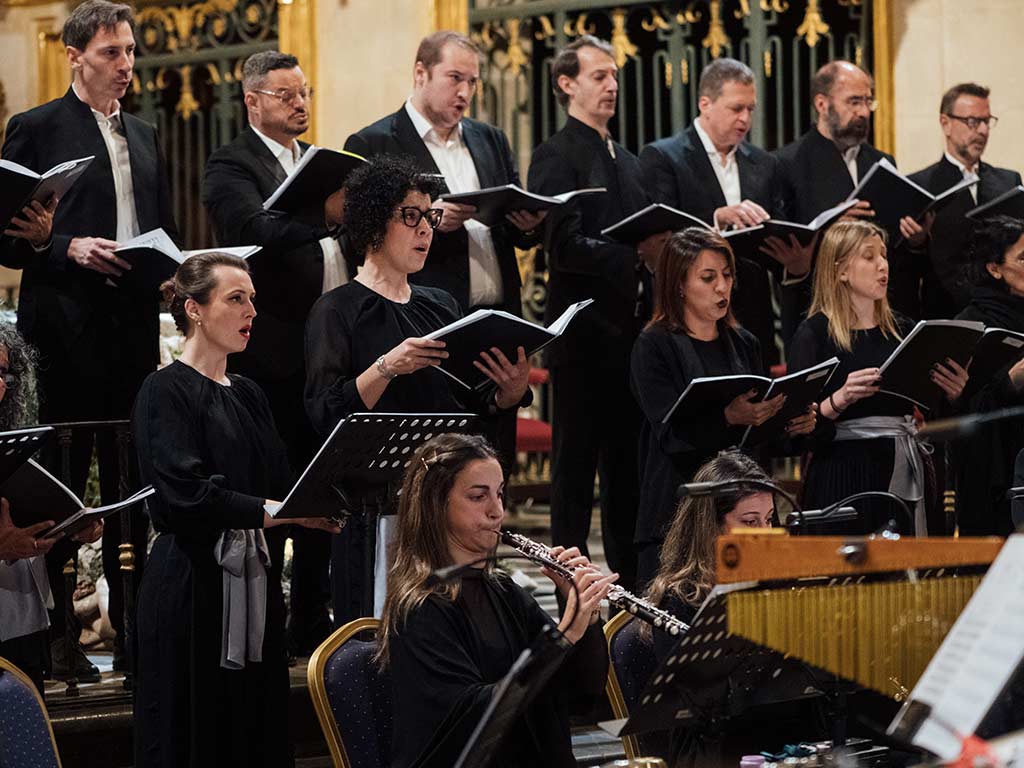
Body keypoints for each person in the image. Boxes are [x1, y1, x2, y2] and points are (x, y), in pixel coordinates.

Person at [0, 0, 177, 676]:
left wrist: (172, 272)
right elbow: (7, 239)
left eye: (130, 51)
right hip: (65, 331)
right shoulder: (37, 127)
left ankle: (136, 634)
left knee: (133, 488)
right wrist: (64, 245)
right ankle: (57, 640)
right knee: (64, 486)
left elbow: (157, 225)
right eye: (111, 52)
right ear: (74, 56)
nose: (125, 64)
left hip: (131, 330)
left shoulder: (147, 133)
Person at [304, 154, 530, 626]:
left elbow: (468, 403)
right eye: (410, 216)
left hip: (444, 502)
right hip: (373, 509)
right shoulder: (337, 309)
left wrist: (506, 395)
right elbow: (325, 412)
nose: (425, 229)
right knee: (379, 635)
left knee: (453, 627)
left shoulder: (440, 305)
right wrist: (387, 367)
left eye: (429, 216)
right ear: (373, 223)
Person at [132, 253, 339, 767]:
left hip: (253, 579)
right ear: (195, 309)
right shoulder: (163, 389)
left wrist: (315, 502)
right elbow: (186, 495)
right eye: (236, 298)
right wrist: (284, 511)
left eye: (252, 299)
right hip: (192, 583)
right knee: (196, 729)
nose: (252, 311)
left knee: (256, 725)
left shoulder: (248, 393)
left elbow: (280, 481)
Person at [202, 50, 345, 656]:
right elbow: (252, 231)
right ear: (253, 100)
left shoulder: (317, 163)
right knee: (278, 484)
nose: (300, 103)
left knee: (324, 484)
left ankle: (314, 616)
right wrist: (326, 216)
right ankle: (271, 619)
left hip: (329, 350)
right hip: (272, 353)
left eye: (304, 92)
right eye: (286, 94)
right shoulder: (230, 162)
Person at [378, 433, 614, 768]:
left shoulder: (504, 591)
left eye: (500, 493)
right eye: (479, 497)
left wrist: (587, 619)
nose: (497, 511)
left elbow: (580, 694)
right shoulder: (419, 609)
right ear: (436, 504)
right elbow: (477, 721)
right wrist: (564, 637)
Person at [527, 35, 660, 594]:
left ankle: (631, 596)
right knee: (575, 474)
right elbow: (561, 246)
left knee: (627, 475)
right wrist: (633, 254)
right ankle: (567, 592)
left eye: (614, 76)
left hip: (631, 336)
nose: (611, 85)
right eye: (599, 75)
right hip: (582, 338)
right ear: (567, 84)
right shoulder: (555, 154)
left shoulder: (627, 159)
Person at [630, 228, 814, 587]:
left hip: (742, 509)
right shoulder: (653, 346)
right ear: (678, 285)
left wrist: (793, 424)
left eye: (727, 276)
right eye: (708, 277)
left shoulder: (744, 343)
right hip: (678, 506)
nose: (722, 287)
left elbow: (756, 434)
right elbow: (671, 436)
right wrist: (728, 417)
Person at [343, 30, 543, 318]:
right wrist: (427, 221)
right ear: (421, 74)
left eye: (472, 81)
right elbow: (359, 240)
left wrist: (527, 226)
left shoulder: (491, 139)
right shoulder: (373, 143)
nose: (465, 92)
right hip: (425, 313)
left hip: (502, 311)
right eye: (455, 78)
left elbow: (515, 231)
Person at [788, 221, 968, 535]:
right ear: (841, 271)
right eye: (869, 256)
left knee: (906, 562)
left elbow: (934, 412)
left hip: (903, 460)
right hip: (842, 470)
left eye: (884, 255)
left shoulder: (903, 329)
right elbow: (795, 430)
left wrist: (953, 393)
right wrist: (840, 399)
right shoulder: (814, 333)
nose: (882, 265)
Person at [639, 57, 807, 368]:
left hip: (751, 321)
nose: (745, 118)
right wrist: (717, 219)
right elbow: (662, 238)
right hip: (689, 320)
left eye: (750, 109)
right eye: (736, 108)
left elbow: (774, 236)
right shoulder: (664, 157)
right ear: (705, 104)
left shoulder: (765, 163)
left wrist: (794, 258)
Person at [0, 323, 102, 692]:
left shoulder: (13, 446)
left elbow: (28, 533)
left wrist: (69, 529)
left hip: (22, 621)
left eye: (2, 372)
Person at [774, 61, 902, 340]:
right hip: (817, 312)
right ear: (822, 104)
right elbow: (783, 246)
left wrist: (914, 236)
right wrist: (831, 228)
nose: (864, 112)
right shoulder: (787, 163)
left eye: (868, 101)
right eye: (854, 101)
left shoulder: (881, 162)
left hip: (877, 312)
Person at [898, 83, 1023, 319]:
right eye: (972, 122)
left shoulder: (1008, 181)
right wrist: (917, 243)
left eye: (987, 121)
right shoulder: (919, 185)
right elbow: (905, 271)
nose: (983, 130)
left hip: (1006, 313)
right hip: (946, 313)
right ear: (945, 123)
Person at [954, 216, 1024, 535]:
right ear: (994, 269)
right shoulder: (970, 324)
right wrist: (1010, 381)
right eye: (1022, 258)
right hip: (994, 469)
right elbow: (960, 411)